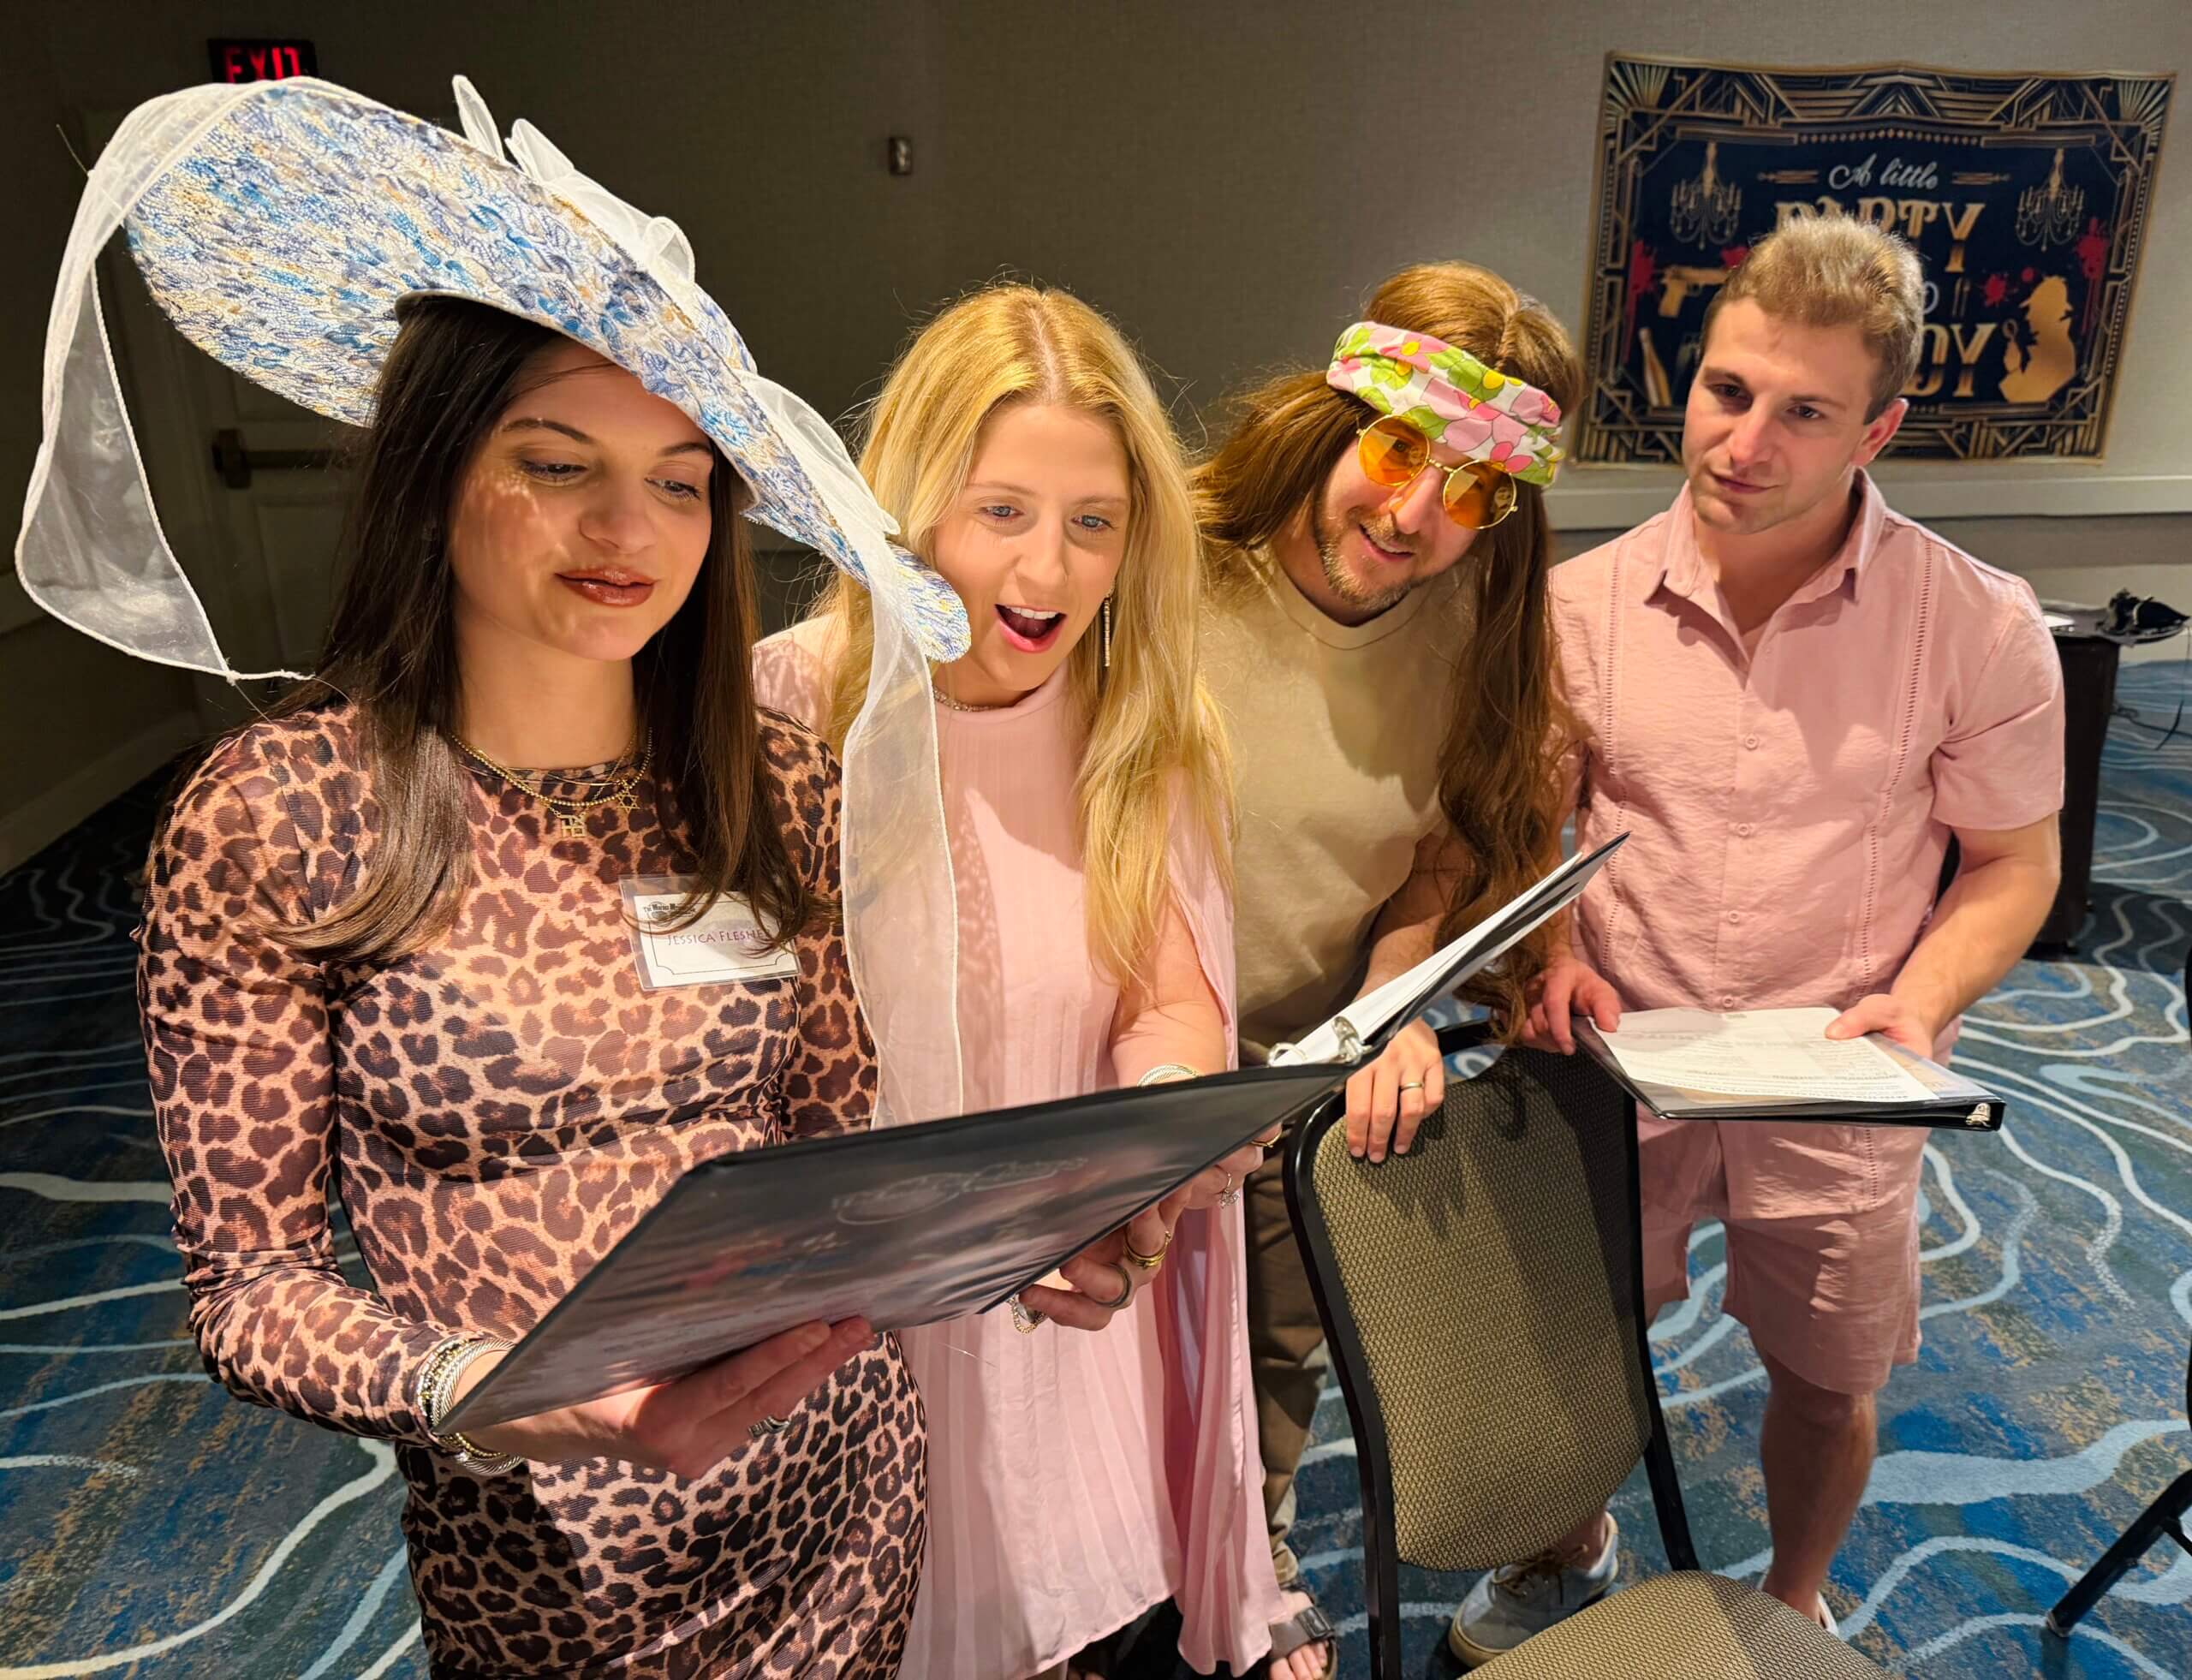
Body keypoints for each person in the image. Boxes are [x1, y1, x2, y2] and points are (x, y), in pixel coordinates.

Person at [20, 75, 1155, 1677]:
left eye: (683, 477)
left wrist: (1002, 1238)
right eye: (558, 463)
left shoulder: (775, 780)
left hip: (836, 1488)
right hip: (552, 1563)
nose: (632, 524)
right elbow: (249, 1287)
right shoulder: (282, 818)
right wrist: (492, 1389)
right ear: (433, 470)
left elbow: (832, 1139)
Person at [1448, 212, 2065, 1665]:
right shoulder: (1576, 609)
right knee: (1573, 1351)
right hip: (1616, 1056)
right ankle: (1568, 1547)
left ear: (1880, 429)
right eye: (1728, 392)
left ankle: (1793, 1595)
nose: (1744, 441)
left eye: (1804, 413)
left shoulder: (1975, 624)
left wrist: (1924, 998)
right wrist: (1546, 957)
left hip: (1840, 1068)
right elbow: (1518, 840)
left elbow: (2012, 865)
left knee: (1827, 1373)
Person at [752, 283, 1281, 1680]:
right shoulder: (776, 717)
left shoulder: (1142, 733)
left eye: (1093, 520)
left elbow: (1170, 1002)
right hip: (848, 1342)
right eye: (1002, 511)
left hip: (1064, 1312)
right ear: (908, 503)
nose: (1049, 569)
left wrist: (1149, 1138)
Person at [1191, 264, 1582, 1677]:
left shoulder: (1473, 622)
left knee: (1277, 1328)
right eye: (1401, 450)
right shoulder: (1167, 552)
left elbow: (1435, 858)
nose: (1417, 517)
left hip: (1308, 1039)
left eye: (1475, 488)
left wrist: (1394, 1006)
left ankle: (1253, 1535)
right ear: (1333, 414)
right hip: (1115, 1036)